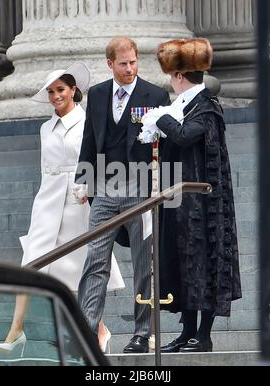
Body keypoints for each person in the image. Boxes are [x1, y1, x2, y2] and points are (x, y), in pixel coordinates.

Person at [0, 61, 125, 356]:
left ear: (73, 90)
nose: (55, 96)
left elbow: (97, 157)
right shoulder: (44, 128)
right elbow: (44, 169)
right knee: (32, 261)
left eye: (60, 90)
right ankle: (15, 330)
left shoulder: (88, 120)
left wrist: (89, 186)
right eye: (51, 91)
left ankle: (100, 329)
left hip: (78, 200)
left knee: (82, 268)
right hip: (47, 200)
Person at [140, 38, 242, 353]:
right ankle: (187, 332)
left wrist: (161, 119)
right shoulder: (185, 107)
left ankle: (204, 334)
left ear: (180, 76)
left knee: (204, 263)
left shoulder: (206, 106)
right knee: (182, 263)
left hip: (203, 205)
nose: (170, 81)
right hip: (180, 202)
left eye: (171, 75)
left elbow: (186, 137)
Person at [75, 36, 171, 353]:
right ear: (110, 64)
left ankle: (143, 333)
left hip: (141, 187)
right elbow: (90, 138)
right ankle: (87, 331)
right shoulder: (99, 95)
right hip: (105, 187)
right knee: (95, 260)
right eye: (123, 63)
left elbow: (167, 147)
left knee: (144, 263)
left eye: (133, 62)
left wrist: (164, 190)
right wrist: (82, 179)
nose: (130, 68)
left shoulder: (155, 94)